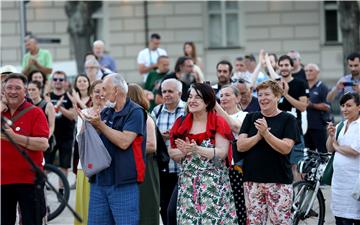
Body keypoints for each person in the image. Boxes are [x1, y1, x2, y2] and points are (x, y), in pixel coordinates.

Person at [169, 83, 238, 224]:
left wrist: (197, 150)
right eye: (190, 97)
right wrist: (184, 152)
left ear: (207, 101)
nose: (192, 100)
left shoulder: (218, 121)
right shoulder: (181, 122)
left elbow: (222, 153)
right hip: (188, 186)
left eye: (197, 97)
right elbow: (172, 152)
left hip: (214, 185)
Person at [84, 73, 147, 225]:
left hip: (123, 182)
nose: (102, 94)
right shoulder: (107, 111)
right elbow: (98, 139)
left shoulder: (135, 112)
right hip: (100, 180)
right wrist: (89, 125)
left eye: (105, 89)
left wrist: (100, 125)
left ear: (116, 91)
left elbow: (125, 141)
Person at [237, 80, 299, 225]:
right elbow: (240, 146)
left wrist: (266, 134)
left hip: (279, 181)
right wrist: (258, 136)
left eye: (267, 94)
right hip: (252, 181)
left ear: (277, 96)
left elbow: (286, 148)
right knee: (254, 222)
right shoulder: (250, 117)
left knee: (279, 222)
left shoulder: (288, 119)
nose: (262, 98)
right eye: (259, 95)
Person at [1, 73, 49, 225]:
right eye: (9, 88)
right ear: (3, 90)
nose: (13, 91)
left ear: (25, 91)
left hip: (30, 181)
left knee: (31, 221)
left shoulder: (35, 112)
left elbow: (43, 144)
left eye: (17, 88)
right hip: (3, 181)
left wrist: (14, 137)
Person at [151, 78, 186, 224]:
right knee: (165, 209)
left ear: (179, 93)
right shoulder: (156, 111)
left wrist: (172, 135)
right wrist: (160, 136)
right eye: (164, 91)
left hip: (182, 169)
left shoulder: (188, 110)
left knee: (182, 208)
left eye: (170, 91)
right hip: (163, 169)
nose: (166, 94)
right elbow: (150, 135)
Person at [127, 83, 159, 225]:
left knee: (146, 206)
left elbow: (152, 145)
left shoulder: (145, 117)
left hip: (146, 168)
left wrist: (126, 147)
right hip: (133, 166)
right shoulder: (130, 116)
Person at [74, 80, 105, 225]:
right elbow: (80, 140)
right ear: (91, 95)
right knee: (86, 209)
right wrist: (86, 123)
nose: (100, 94)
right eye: (96, 91)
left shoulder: (112, 111)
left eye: (103, 90)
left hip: (107, 166)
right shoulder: (84, 113)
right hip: (87, 166)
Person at [326, 93, 360, 225]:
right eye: (343, 105)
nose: (344, 109)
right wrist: (331, 136)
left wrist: (336, 145)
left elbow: (354, 151)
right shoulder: (341, 124)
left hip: (354, 183)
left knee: (353, 219)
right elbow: (329, 148)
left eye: (349, 105)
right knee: (339, 218)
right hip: (339, 183)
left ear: (358, 107)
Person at [216, 84, 247, 225]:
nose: (223, 98)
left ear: (238, 98)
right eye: (221, 95)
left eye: (227, 95)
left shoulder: (245, 116)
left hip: (237, 167)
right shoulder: (214, 116)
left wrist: (216, 106)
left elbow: (236, 127)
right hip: (217, 166)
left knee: (238, 205)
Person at [276, 55, 308, 181]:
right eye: (281, 65)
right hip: (277, 130)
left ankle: (297, 198)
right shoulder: (274, 85)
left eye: (286, 65)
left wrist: (286, 94)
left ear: (291, 66)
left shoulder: (300, 83)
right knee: (279, 166)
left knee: (295, 166)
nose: (284, 68)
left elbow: (303, 106)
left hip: (294, 129)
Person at [49, 71, 76, 196]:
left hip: (66, 136)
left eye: (61, 79)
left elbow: (72, 116)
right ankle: (42, 188)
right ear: (52, 81)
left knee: (64, 165)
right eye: (55, 79)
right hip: (51, 136)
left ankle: (61, 191)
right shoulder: (47, 96)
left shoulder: (69, 97)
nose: (58, 82)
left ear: (65, 82)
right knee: (46, 164)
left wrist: (59, 108)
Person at [304, 63, 331, 153]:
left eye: (311, 70)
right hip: (305, 126)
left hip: (319, 126)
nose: (308, 72)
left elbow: (327, 107)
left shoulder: (322, 87)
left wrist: (312, 105)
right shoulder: (303, 86)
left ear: (317, 72)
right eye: (306, 70)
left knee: (322, 153)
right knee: (308, 154)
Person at [28, 80, 56, 152]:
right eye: (29, 90)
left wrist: (46, 139)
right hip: (31, 142)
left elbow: (51, 126)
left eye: (33, 89)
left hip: (44, 141)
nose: (31, 92)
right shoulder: (27, 105)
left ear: (40, 90)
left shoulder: (48, 105)